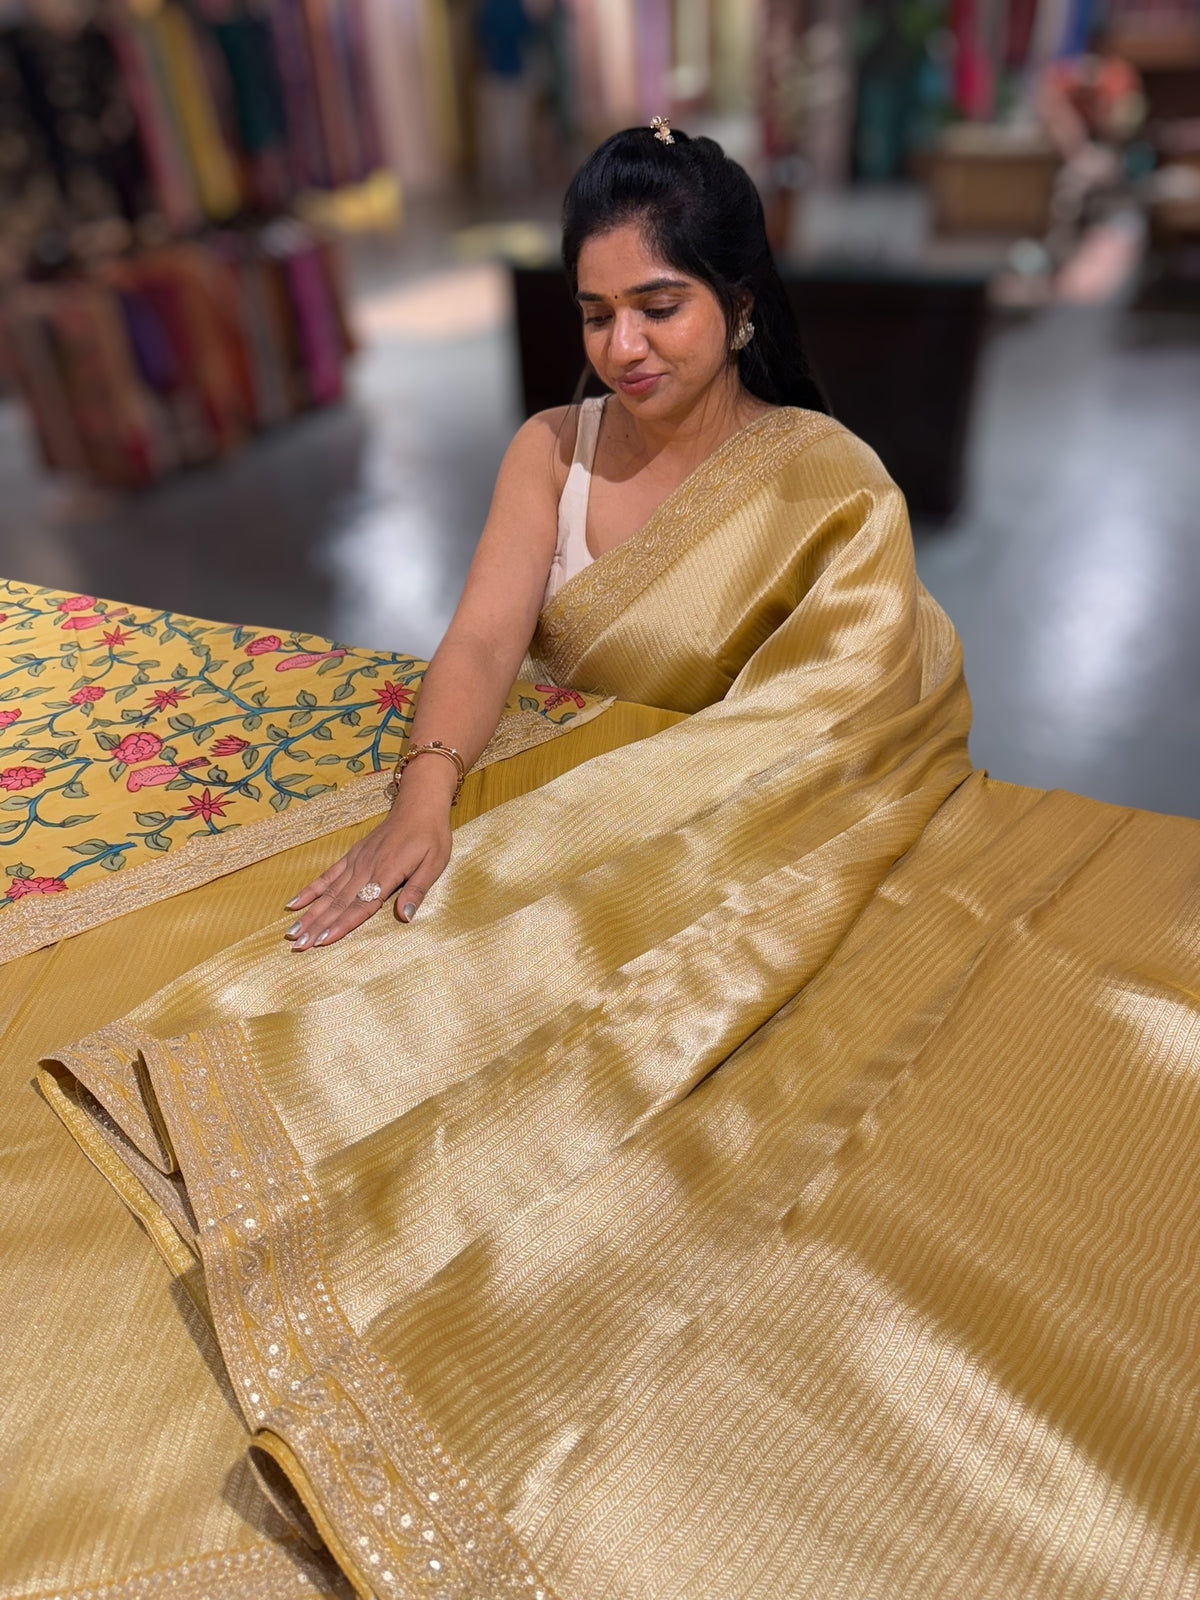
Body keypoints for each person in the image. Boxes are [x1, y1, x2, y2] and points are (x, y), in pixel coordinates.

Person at [22, 124, 1200, 1600]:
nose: (625, 345)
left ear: (741, 303)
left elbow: (848, 708)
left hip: (732, 824)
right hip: (567, 799)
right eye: (596, 311)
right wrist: (427, 797)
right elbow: (479, 641)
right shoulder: (552, 450)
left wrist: (675, 824)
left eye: (661, 305)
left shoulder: (821, 477)